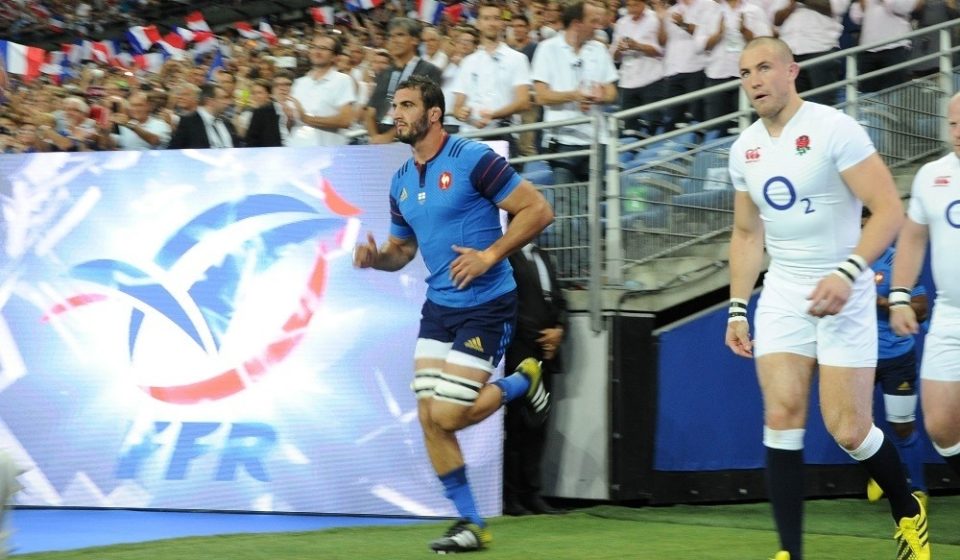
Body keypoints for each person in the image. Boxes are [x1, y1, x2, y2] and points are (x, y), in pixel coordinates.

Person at [725, 37, 929, 560]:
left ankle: (907, 509)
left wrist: (847, 271)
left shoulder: (833, 128)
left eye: (765, 67)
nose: (754, 80)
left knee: (849, 429)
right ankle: (791, 551)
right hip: (785, 290)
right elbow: (747, 236)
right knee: (783, 412)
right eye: (745, 72)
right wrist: (737, 307)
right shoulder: (743, 148)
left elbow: (888, 210)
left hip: (848, 286)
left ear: (792, 71)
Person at [353, 74, 553, 553]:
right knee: (428, 416)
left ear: (434, 114)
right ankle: (470, 523)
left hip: (488, 306)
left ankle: (522, 382)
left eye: (404, 105)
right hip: (440, 307)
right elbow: (403, 250)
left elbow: (538, 210)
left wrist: (490, 255)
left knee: (446, 414)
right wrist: (378, 259)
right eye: (393, 105)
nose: (394, 114)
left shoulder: (473, 159)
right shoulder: (401, 181)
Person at [889, 91, 960, 493]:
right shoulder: (932, 176)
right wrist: (900, 295)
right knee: (941, 427)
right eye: (952, 123)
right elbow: (913, 238)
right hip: (950, 315)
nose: (958, 131)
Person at [861, 207, 929, 508]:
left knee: (902, 425)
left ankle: (918, 489)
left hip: (896, 356)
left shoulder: (897, 260)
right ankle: (885, 473)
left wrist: (881, 302)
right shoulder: (844, 262)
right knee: (860, 427)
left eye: (868, 225)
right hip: (856, 356)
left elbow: (921, 308)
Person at [503, 241, 567, 516]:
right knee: (515, 425)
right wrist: (540, 338)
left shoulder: (544, 256)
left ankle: (533, 494)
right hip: (519, 352)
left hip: (546, 355)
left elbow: (560, 302)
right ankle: (510, 497)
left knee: (538, 425)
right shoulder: (506, 255)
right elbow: (509, 306)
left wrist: (559, 331)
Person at [452, 1, 532, 148]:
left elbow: (524, 102)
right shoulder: (468, 62)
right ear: (478, 23)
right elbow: (457, 106)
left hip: (502, 135)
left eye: (496, 18)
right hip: (470, 137)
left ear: (503, 23)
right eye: (486, 18)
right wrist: (461, 112)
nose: (492, 23)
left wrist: (493, 115)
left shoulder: (518, 59)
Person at [168, 84, 237, 150]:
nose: (228, 102)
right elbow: (173, 151)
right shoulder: (188, 123)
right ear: (210, 101)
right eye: (223, 98)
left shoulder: (227, 123)